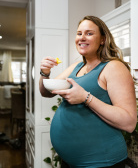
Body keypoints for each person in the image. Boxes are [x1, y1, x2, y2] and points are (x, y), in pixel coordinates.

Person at [39, 16, 137, 168]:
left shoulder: (114, 67)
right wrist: (44, 73)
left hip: (101, 162)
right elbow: (46, 92)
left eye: (89, 33)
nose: (82, 37)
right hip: (70, 161)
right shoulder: (77, 66)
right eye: (79, 33)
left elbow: (129, 122)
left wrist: (86, 97)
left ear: (103, 39)